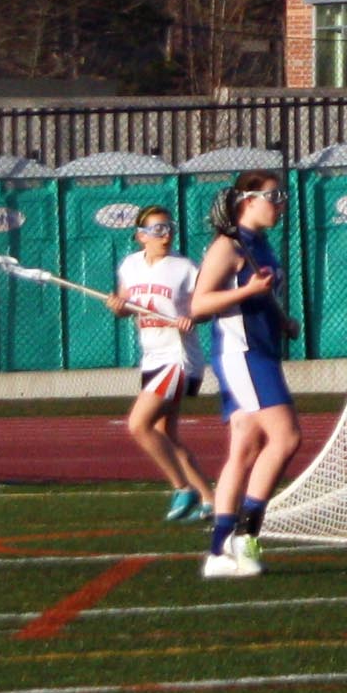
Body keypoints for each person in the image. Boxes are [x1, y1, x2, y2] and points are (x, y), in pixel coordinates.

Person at [191, 173, 303, 580]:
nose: (280, 203)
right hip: (243, 355)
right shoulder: (229, 246)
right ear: (247, 201)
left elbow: (263, 293)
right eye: (272, 196)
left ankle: (219, 552)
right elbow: (200, 304)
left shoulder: (260, 244)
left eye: (281, 196)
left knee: (245, 449)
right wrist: (245, 292)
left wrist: (281, 318)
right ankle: (247, 532)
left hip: (262, 351)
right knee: (287, 437)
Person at [109, 205, 209, 523]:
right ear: (141, 236)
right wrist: (118, 306)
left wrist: (190, 317)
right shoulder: (130, 265)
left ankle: (182, 487)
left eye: (169, 228)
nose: (165, 235)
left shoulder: (184, 267)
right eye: (157, 230)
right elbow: (126, 305)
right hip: (152, 357)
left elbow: (204, 306)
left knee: (139, 425)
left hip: (178, 359)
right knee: (167, 435)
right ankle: (211, 500)